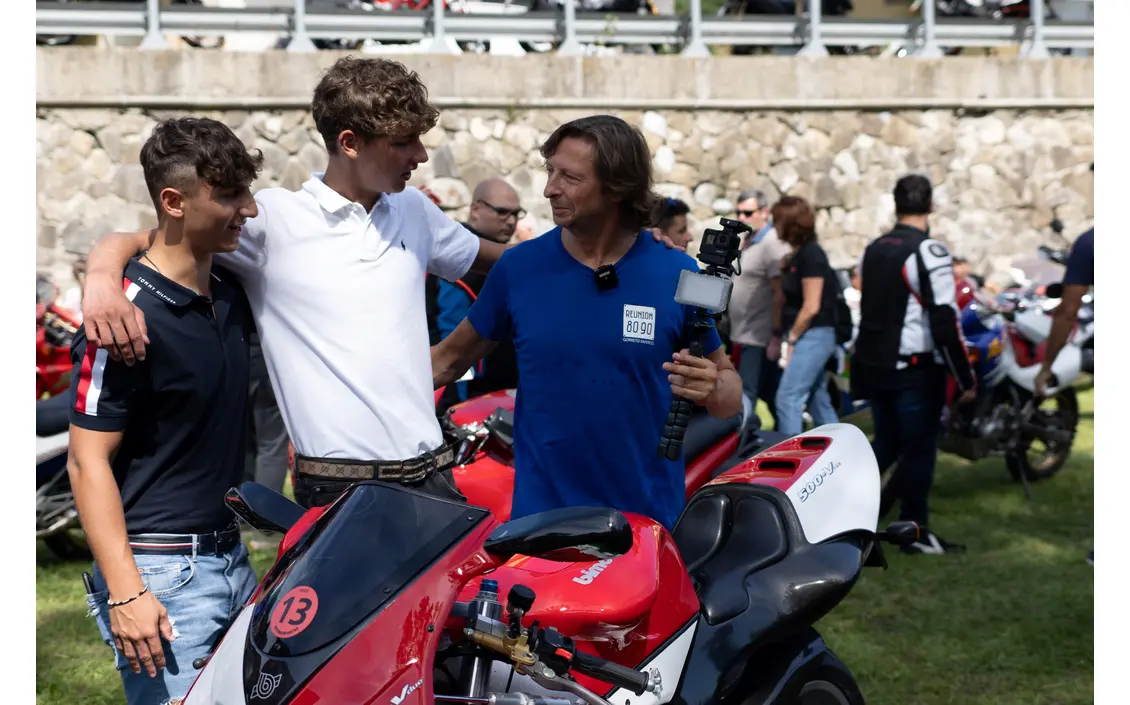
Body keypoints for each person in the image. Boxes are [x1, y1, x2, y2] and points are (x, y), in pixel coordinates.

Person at [78, 57, 680, 512]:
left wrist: (633, 252)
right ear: (350, 143)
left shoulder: (415, 212)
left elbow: (523, 262)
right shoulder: (271, 221)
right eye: (404, 142)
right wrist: (103, 277)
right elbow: (155, 237)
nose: (421, 155)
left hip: (433, 473)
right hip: (337, 487)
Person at [430, 115, 744, 531]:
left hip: (645, 530)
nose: (550, 189)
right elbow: (446, 362)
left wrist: (713, 386)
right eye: (551, 171)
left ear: (617, 188)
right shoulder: (519, 268)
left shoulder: (677, 271)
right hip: (540, 528)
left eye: (570, 177)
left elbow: (730, 397)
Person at [67, 117, 262, 704]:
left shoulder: (231, 290)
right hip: (162, 575)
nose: (249, 209)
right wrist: (127, 592)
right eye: (230, 195)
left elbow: (134, 238)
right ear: (174, 202)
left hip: (233, 559)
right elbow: (85, 462)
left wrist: (104, 263)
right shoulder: (122, 318)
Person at [852, 174, 976, 555]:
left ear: (896, 204)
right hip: (914, 370)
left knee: (886, 444)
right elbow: (945, 318)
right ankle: (915, 532)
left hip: (874, 363)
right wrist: (965, 376)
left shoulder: (873, 248)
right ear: (931, 205)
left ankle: (846, 518)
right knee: (919, 450)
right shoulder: (930, 251)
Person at [427, 178, 524, 412]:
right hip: (465, 399)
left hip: (503, 395)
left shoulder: (508, 259)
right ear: (476, 209)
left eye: (516, 214)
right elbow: (450, 335)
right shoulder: (457, 259)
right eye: (502, 212)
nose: (511, 221)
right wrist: (456, 405)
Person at [772, 196, 840, 437]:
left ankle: (790, 455)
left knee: (787, 398)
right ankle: (839, 448)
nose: (773, 226)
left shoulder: (812, 255)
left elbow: (811, 306)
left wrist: (791, 339)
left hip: (813, 334)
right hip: (809, 335)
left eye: (776, 220)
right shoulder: (799, 256)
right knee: (816, 400)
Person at [728, 188, 788, 428]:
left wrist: (775, 334)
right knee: (768, 392)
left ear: (764, 212)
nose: (741, 218)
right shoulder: (749, 241)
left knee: (749, 393)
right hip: (742, 333)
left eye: (747, 213)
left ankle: (742, 438)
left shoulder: (772, 243)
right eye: (738, 212)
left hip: (759, 337)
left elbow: (780, 292)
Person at [244, 324, 291, 494]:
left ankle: (236, 505)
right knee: (272, 449)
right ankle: (264, 507)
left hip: (235, 354)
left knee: (239, 446)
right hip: (271, 358)